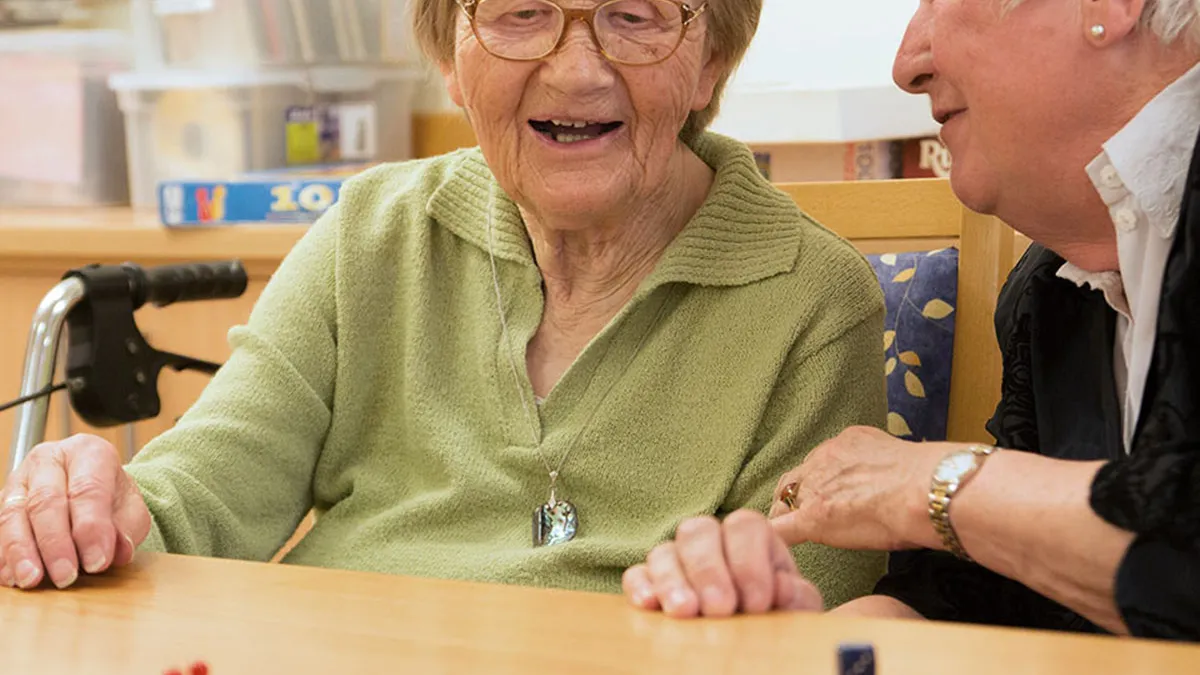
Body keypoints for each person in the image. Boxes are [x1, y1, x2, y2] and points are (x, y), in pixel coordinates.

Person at [0, 0, 888, 609]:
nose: (577, 70)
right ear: (446, 59)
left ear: (711, 61)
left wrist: (756, 597)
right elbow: (200, 494)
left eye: (634, 16)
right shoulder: (369, 233)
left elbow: (806, 612)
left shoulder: (812, 298)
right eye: (520, 13)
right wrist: (95, 509)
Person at [623, 0, 1200, 640]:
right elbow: (999, 591)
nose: (906, 65)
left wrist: (923, 483)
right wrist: (800, 643)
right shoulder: (1052, 289)